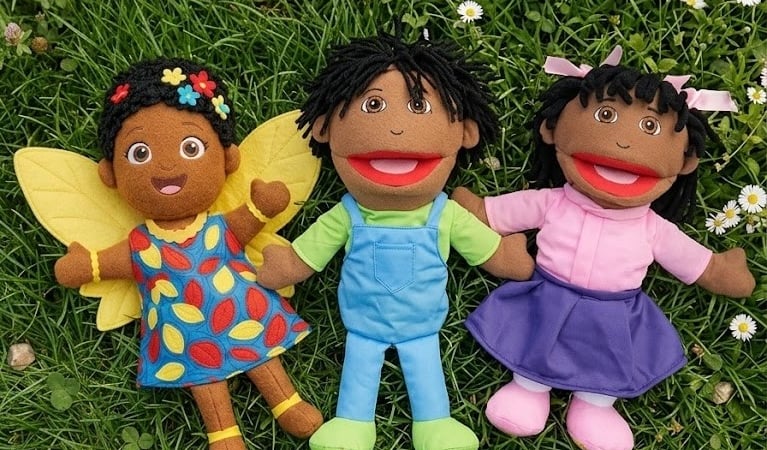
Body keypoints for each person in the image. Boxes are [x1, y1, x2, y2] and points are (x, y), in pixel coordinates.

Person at [452, 47, 755, 450]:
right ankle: (528, 388)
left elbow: (692, 260)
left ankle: (595, 406)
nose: (624, 144)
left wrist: (717, 270)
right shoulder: (553, 201)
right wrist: (479, 211)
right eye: (606, 115)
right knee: (532, 345)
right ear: (553, 129)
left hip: (613, 315)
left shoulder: (652, 228)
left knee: (606, 363)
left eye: (650, 126)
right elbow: (504, 212)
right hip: (548, 297)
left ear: (684, 162)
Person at [257, 29, 534, 450]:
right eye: (373, 105)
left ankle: (435, 424)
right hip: (362, 324)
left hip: (423, 324)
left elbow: (490, 251)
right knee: (360, 366)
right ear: (326, 129)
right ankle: (352, 423)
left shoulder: (443, 213)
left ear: (464, 133)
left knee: (425, 368)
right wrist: (288, 264)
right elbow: (308, 254)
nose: (397, 130)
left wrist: (505, 256)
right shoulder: (349, 213)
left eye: (419, 106)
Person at [53, 58, 323, 450]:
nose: (166, 166)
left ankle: (287, 403)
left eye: (191, 147)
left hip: (243, 312)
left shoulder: (218, 227)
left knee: (262, 355)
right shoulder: (141, 244)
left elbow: (248, 220)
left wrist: (262, 207)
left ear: (227, 159)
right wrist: (88, 266)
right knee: (204, 378)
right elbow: (109, 262)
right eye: (140, 153)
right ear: (110, 174)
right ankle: (223, 433)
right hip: (185, 333)